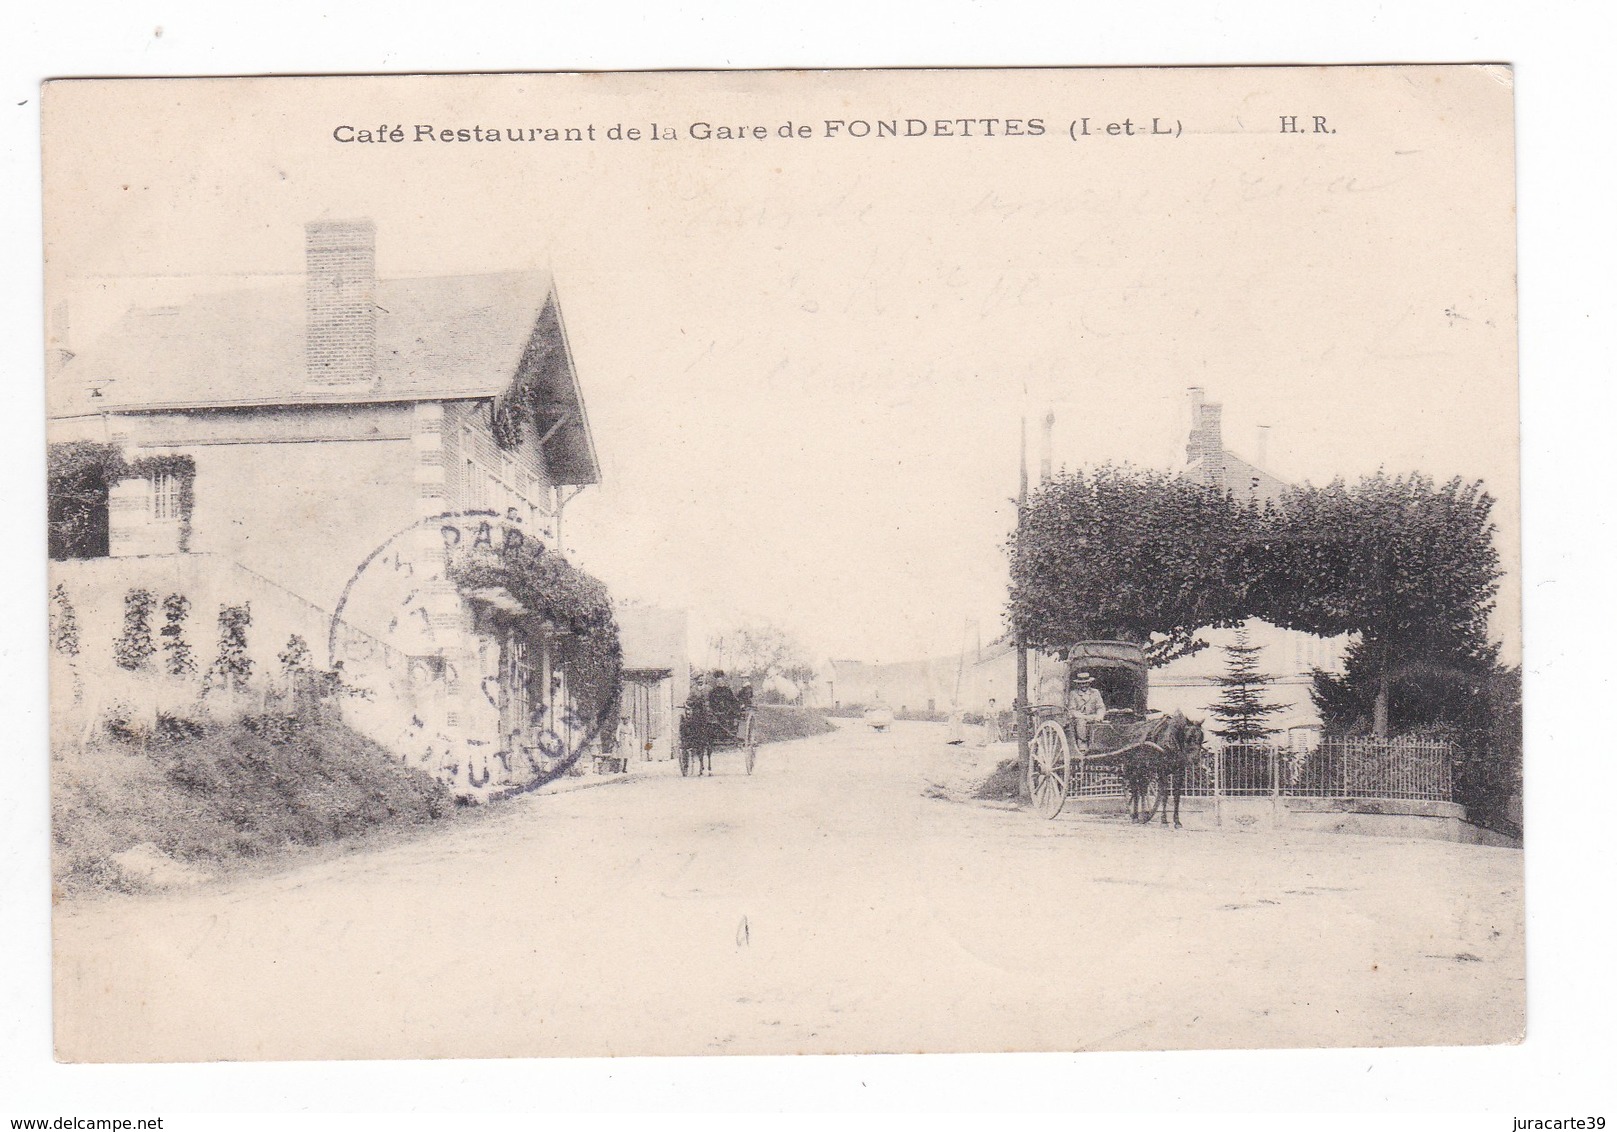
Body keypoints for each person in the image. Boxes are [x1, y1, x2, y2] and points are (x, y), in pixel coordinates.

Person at [1067, 670, 1107, 746]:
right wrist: (1084, 717)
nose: (1084, 686)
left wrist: (1099, 716)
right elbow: (1072, 710)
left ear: (1089, 683)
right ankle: (1082, 744)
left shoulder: (1095, 692)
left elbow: (1100, 707)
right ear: (1078, 684)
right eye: (1081, 684)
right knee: (1081, 722)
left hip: (1093, 716)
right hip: (1079, 718)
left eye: (1086, 683)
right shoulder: (1073, 694)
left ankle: (1098, 745)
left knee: (1103, 724)